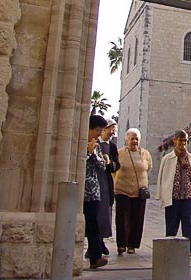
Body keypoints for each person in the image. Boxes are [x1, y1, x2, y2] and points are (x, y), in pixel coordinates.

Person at [156, 130, 191, 256]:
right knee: (171, 223)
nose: (183, 143)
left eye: (185, 141)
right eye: (180, 140)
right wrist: (161, 194)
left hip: (187, 196)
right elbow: (162, 176)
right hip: (173, 196)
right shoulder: (168, 158)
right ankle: (169, 246)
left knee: (188, 223)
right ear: (175, 141)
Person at [114, 128, 153, 255]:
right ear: (127, 139)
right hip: (122, 190)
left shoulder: (145, 154)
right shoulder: (120, 153)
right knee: (122, 218)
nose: (134, 141)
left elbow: (148, 168)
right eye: (132, 138)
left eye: (136, 138)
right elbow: (113, 170)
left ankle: (132, 244)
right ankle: (121, 244)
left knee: (137, 218)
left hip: (139, 191)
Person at [84, 114, 109, 269]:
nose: (99, 134)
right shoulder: (80, 143)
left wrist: (93, 153)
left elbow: (102, 166)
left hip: (93, 192)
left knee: (93, 224)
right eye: (98, 130)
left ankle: (95, 257)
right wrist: (87, 152)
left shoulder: (97, 146)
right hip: (80, 191)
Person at [96, 118, 119, 255]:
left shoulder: (112, 147)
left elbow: (117, 164)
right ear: (104, 129)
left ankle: (101, 241)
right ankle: (94, 243)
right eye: (112, 129)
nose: (113, 132)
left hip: (106, 182)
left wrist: (110, 163)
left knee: (105, 212)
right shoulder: (94, 143)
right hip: (94, 182)